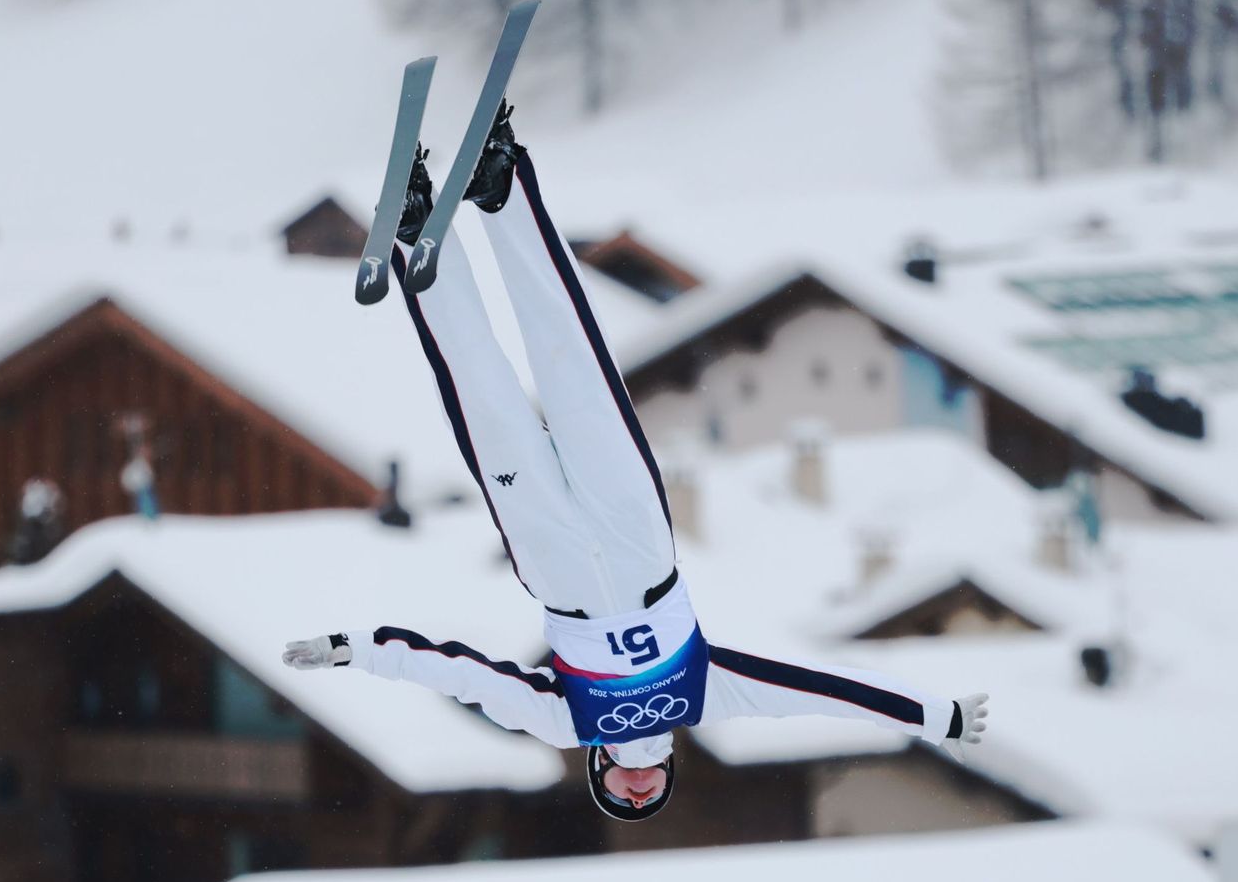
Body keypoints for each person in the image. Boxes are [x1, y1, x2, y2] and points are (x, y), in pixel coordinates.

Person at [284, 104, 988, 821]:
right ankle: (501, 189)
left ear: (597, 773)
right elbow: (821, 692)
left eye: (619, 798)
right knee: (572, 362)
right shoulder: (702, 694)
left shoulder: (566, 722)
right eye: (649, 798)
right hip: (637, 538)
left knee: (478, 386)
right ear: (673, 768)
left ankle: (414, 225)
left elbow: (459, 674)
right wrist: (933, 717)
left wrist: (356, 649)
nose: (637, 791)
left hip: (550, 556)